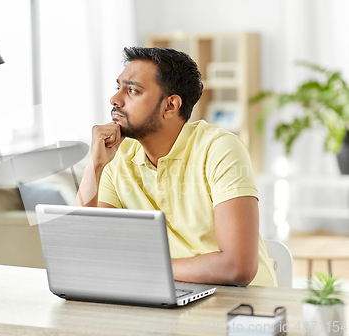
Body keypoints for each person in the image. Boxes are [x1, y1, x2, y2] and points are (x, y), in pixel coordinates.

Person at [74, 47, 277, 287]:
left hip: (243, 307)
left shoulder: (220, 148)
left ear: (170, 106)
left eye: (132, 90)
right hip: (169, 295)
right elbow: (84, 251)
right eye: (118, 88)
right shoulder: (117, 157)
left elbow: (236, 268)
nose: (115, 100)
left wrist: (147, 268)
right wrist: (94, 166)